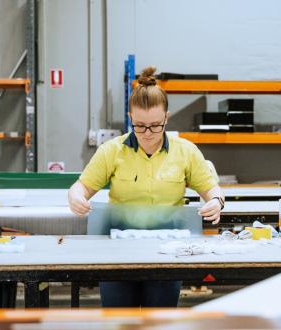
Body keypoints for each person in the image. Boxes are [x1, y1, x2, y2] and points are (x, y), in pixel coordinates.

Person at [68, 66, 225, 308]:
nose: (148, 133)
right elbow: (81, 187)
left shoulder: (186, 151)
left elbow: (213, 191)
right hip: (117, 254)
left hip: (167, 253)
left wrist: (216, 202)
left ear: (166, 118)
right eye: (140, 126)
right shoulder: (112, 150)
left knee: (159, 319)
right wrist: (75, 197)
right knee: (118, 321)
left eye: (155, 125)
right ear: (130, 118)